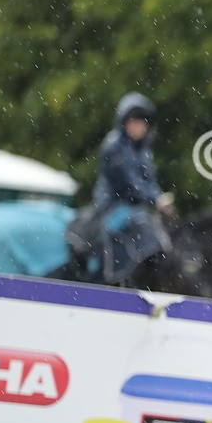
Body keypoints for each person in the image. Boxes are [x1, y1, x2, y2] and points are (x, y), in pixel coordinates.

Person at [87, 92, 173, 283]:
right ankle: (112, 276)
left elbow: (149, 181)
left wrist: (158, 197)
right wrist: (155, 200)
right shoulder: (115, 147)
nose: (139, 127)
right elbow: (130, 184)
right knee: (139, 230)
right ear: (124, 122)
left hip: (135, 206)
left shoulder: (142, 149)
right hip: (112, 205)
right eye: (134, 121)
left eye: (143, 122)